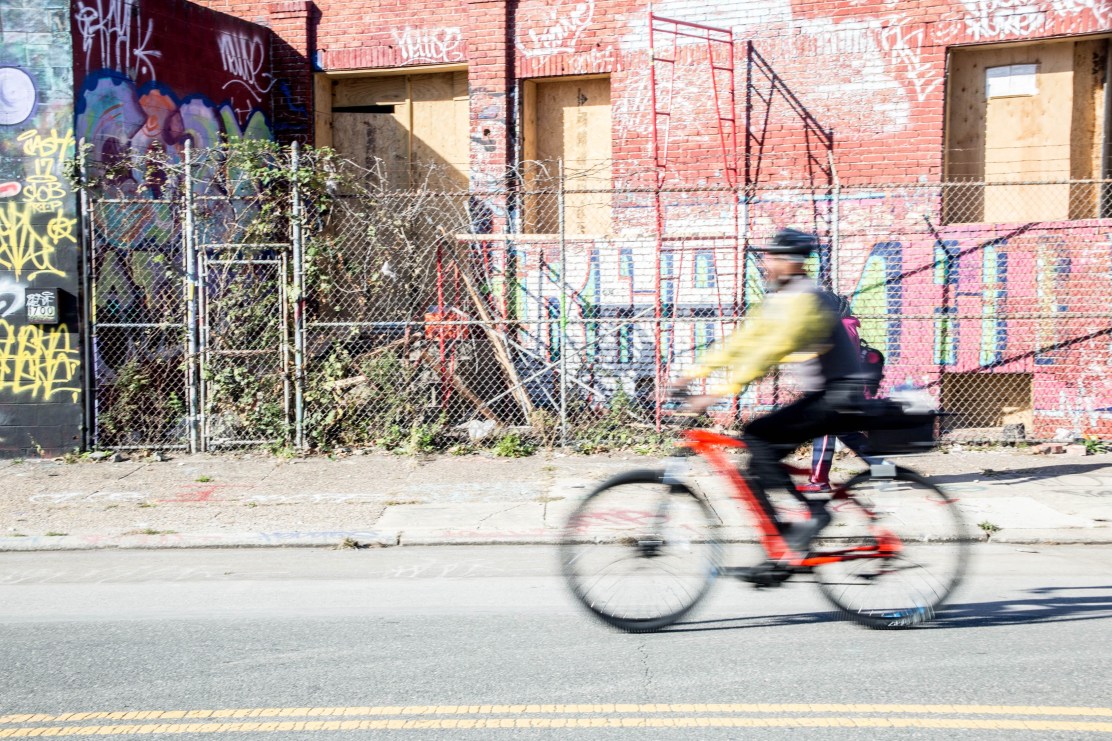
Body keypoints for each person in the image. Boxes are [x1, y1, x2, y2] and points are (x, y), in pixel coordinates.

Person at [671, 228, 872, 556]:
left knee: (757, 438)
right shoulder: (781, 297)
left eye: (773, 256)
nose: (767, 262)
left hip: (838, 395)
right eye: (767, 256)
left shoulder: (806, 299)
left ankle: (809, 519)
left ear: (792, 261)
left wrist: (715, 393)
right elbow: (744, 341)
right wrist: (692, 374)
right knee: (759, 454)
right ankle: (781, 540)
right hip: (823, 395)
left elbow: (770, 351)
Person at [800, 295, 883, 493]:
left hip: (838, 389)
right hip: (842, 388)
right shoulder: (845, 326)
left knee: (826, 432)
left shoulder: (841, 328)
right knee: (848, 433)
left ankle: (819, 480)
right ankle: (884, 469)